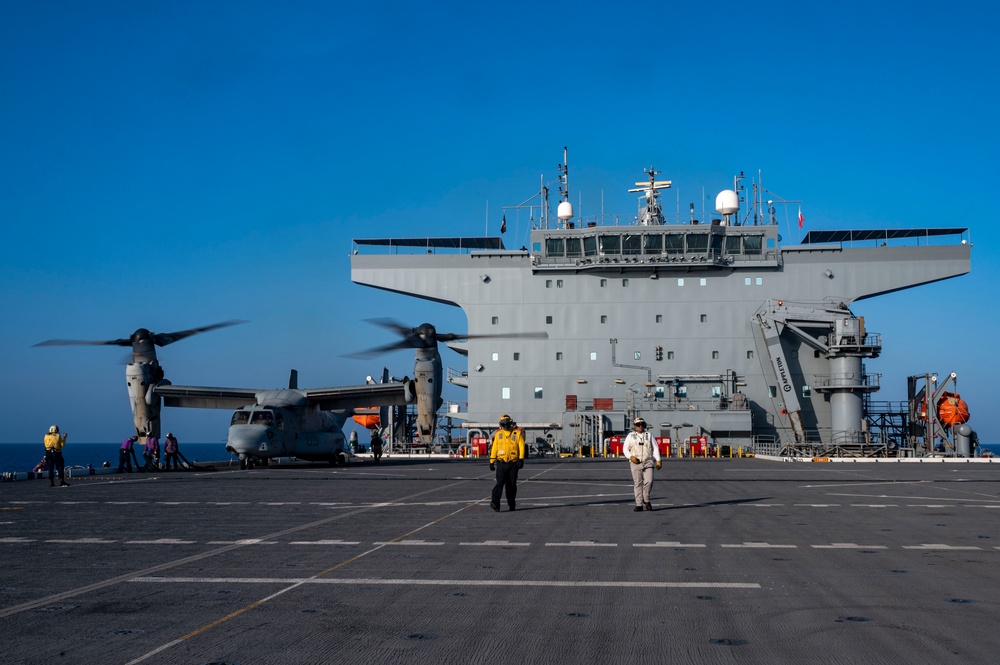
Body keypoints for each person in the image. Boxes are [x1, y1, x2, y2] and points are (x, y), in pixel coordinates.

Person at [488, 414, 525, 512]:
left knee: (511, 485)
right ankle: (495, 503)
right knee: (499, 484)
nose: (506, 426)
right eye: (504, 424)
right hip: (501, 463)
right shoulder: (498, 434)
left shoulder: (517, 434)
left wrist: (521, 459)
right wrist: (492, 461)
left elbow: (521, 446)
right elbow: (495, 447)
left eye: (507, 423)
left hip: (513, 464)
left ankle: (511, 504)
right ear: (501, 425)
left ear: (510, 423)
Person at [623, 417, 661, 511]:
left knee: (649, 481)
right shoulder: (630, 436)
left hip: (648, 461)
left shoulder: (649, 435)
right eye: (638, 425)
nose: (640, 426)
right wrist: (630, 457)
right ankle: (639, 504)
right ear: (635, 426)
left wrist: (658, 460)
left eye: (642, 424)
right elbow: (625, 448)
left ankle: (646, 499)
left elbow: (655, 448)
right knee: (638, 483)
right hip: (636, 462)